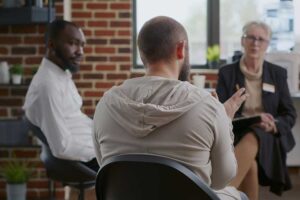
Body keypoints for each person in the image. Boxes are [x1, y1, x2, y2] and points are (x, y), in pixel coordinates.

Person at [93, 16, 248, 200]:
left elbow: (105, 165)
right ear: (181, 49)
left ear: (142, 53)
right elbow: (222, 180)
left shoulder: (105, 105)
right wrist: (224, 120)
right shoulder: (208, 108)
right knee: (237, 195)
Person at [216, 21, 297, 200]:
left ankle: (220, 194)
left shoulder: (278, 73)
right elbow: (222, 111)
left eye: (261, 39)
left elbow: (289, 114)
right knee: (249, 165)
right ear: (242, 41)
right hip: (236, 131)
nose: (255, 43)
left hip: (268, 135)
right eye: (251, 38)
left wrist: (274, 125)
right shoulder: (227, 73)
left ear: (267, 45)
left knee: (256, 131)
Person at [23, 20, 98, 199]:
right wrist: (102, 147)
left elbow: (73, 118)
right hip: (80, 160)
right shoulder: (47, 86)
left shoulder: (61, 74)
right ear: (51, 45)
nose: (80, 51)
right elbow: (62, 147)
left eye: (82, 45)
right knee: (134, 162)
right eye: (72, 43)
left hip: (88, 146)